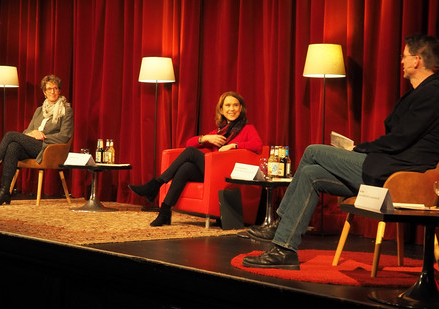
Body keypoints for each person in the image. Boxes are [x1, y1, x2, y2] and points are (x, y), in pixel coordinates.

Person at [242, 34, 439, 270]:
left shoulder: (433, 92)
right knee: (310, 174)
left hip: (400, 174)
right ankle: (285, 250)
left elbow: (401, 139)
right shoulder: (419, 92)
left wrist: (360, 148)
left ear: (417, 60)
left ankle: (280, 221)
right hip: (388, 165)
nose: (401, 62)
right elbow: (398, 135)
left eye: (404, 57)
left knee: (313, 150)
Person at [129, 91, 263, 226]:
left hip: (228, 174)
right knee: (186, 168)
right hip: (212, 172)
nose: (232, 109)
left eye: (235, 105)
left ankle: (155, 184)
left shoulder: (247, 129)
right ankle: (164, 212)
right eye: (227, 105)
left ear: (241, 108)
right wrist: (205, 138)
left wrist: (234, 145)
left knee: (191, 153)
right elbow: (189, 143)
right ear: (221, 110)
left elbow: (257, 145)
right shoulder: (218, 132)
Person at [0, 74, 73, 205]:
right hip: (33, 145)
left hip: (47, 148)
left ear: (60, 90)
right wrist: (33, 133)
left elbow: (65, 135)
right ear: (44, 92)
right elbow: (26, 131)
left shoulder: (66, 110)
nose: (53, 92)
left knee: (10, 135)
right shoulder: (39, 110)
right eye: (49, 89)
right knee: (12, 147)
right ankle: (4, 193)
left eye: (55, 88)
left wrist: (43, 136)